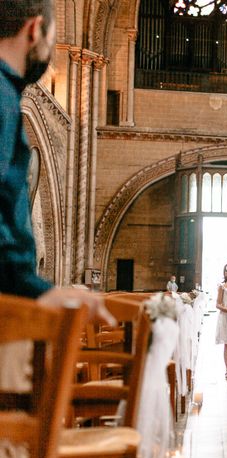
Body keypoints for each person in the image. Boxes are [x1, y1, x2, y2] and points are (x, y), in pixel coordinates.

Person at [0, 1, 114, 320]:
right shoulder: (3, 98)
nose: (50, 59)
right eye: (52, 45)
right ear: (34, 31)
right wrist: (37, 290)